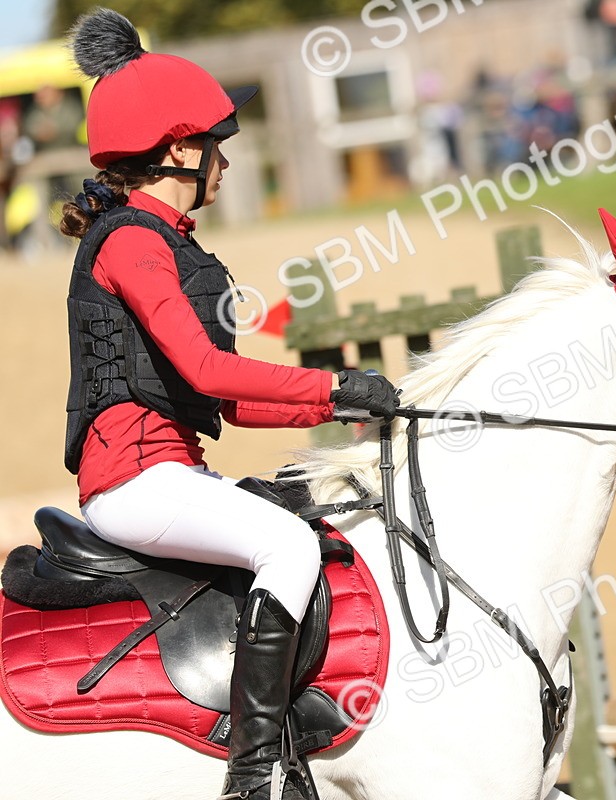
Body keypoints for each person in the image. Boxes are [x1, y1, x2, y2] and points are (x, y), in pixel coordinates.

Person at [58, 9, 401, 799]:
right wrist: (334, 385)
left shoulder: (169, 241)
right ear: (179, 149)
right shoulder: (132, 242)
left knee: (318, 513)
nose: (225, 162)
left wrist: (349, 409)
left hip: (172, 475)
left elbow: (236, 406)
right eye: (217, 145)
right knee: (289, 549)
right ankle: (254, 776)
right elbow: (210, 371)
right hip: (135, 484)